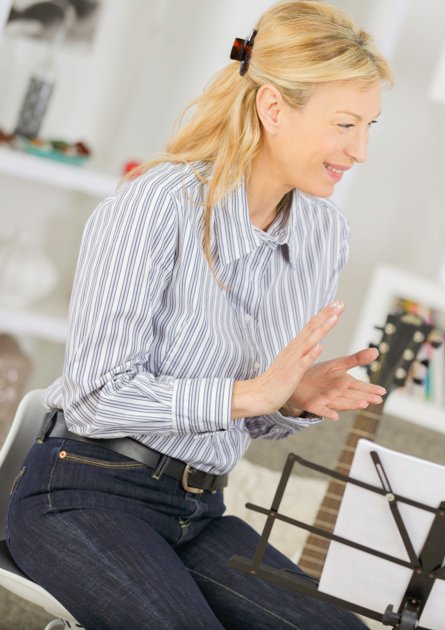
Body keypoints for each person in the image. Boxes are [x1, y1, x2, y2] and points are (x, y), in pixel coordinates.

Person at [7, 2, 391, 628]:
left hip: (200, 511)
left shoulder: (325, 235)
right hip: (83, 494)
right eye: (346, 124)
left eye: (371, 125)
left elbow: (254, 418)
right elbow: (96, 398)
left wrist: (288, 400)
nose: (362, 150)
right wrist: (250, 395)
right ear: (273, 108)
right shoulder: (155, 205)